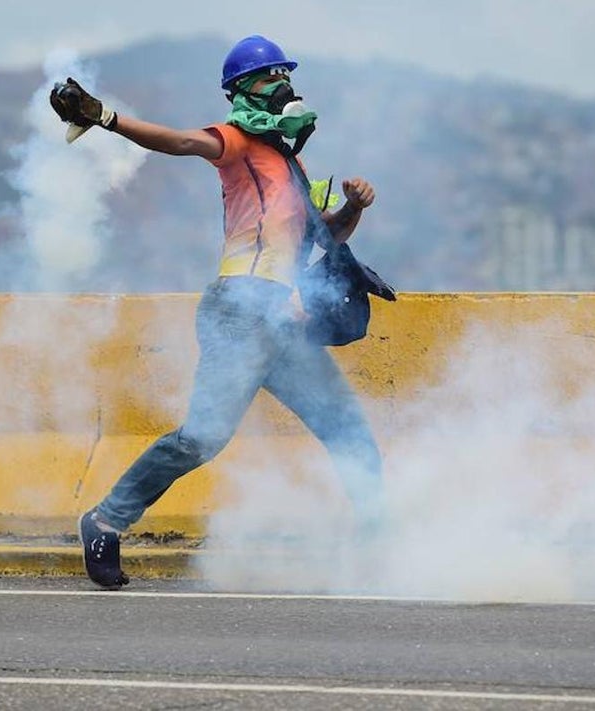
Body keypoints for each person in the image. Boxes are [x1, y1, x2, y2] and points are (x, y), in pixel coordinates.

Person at [49, 34, 385, 589]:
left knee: (348, 430)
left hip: (283, 319)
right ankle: (105, 520)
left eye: (285, 74)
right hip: (239, 313)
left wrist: (352, 205)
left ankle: (381, 546)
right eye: (271, 76)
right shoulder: (236, 141)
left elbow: (327, 236)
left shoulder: (291, 162)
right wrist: (106, 117)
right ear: (243, 90)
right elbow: (180, 143)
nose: (283, 85)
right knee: (201, 439)